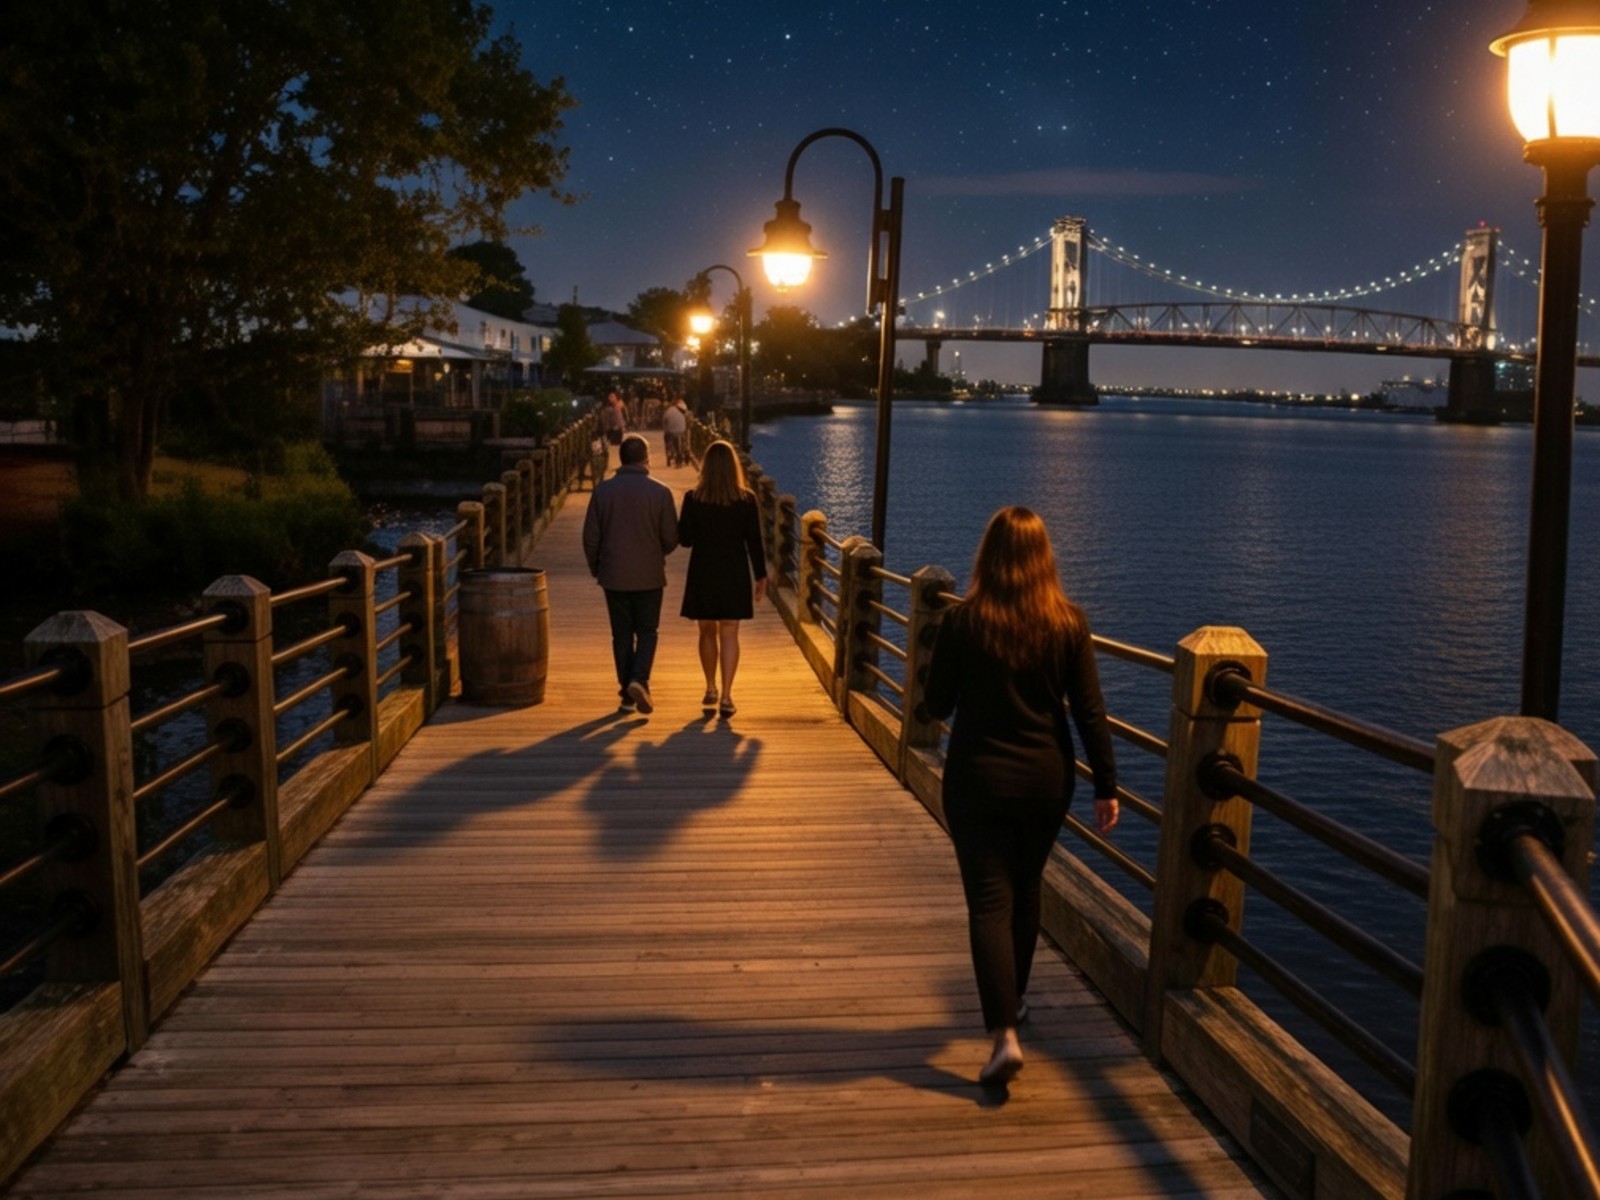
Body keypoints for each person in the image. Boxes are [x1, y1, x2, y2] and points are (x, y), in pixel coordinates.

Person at [921, 505, 1119, 1089]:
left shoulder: (964, 623)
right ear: (1044, 560)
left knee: (989, 902)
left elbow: (937, 705)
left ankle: (1003, 1032)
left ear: (988, 557)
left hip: (978, 777)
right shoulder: (1069, 624)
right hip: (1045, 780)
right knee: (1027, 886)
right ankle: (1017, 1002)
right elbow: (1089, 711)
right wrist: (1107, 785)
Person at [581, 434, 678, 714]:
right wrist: (656, 553)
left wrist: (596, 566)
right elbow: (671, 537)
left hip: (613, 574)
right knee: (647, 631)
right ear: (645, 458)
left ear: (620, 458)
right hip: (649, 575)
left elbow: (590, 537)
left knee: (621, 634)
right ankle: (639, 679)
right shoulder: (661, 493)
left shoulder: (602, 492)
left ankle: (626, 693)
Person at [677, 440, 767, 718]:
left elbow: (685, 540)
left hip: (704, 570)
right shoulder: (747, 499)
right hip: (734, 571)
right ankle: (727, 696)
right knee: (730, 633)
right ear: (733, 467)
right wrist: (761, 575)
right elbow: (754, 541)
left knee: (706, 632)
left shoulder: (693, 499)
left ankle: (710, 687)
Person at [599, 391, 626, 461]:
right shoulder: (607, 408)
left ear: (617, 397)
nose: (610, 398)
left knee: (616, 446)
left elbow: (622, 418)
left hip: (617, 429)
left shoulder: (618, 407)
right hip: (610, 430)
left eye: (612, 397)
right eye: (609, 396)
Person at [661, 396, 689, 467]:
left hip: (670, 432)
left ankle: (669, 453)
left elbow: (664, 421)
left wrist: (666, 430)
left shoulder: (668, 411)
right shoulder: (682, 410)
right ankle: (679, 460)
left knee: (668, 439)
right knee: (679, 445)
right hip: (681, 431)